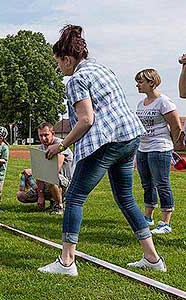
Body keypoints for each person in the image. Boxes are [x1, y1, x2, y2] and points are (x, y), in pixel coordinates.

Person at [38, 25, 166, 276]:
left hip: (106, 141)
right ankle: (152, 258)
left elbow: (86, 119)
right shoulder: (102, 69)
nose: (58, 68)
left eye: (58, 63)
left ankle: (66, 262)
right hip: (129, 138)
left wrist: (61, 144)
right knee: (126, 198)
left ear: (67, 58)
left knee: (74, 197)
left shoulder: (76, 79)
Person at [134, 69, 181, 234]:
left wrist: (171, 145)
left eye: (141, 81)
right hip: (143, 148)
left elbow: (176, 126)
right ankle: (148, 217)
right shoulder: (141, 103)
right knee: (147, 184)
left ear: (151, 82)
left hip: (160, 148)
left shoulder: (164, 102)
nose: (137, 85)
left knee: (162, 183)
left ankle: (165, 223)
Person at [17, 122, 73, 215]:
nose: (43, 138)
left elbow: (54, 170)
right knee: (21, 196)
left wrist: (34, 171)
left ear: (53, 134)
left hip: (66, 185)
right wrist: (40, 196)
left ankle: (59, 206)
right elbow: (40, 176)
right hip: (50, 182)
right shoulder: (40, 148)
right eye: (41, 135)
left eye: (46, 135)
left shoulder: (60, 145)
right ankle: (52, 200)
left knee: (51, 179)